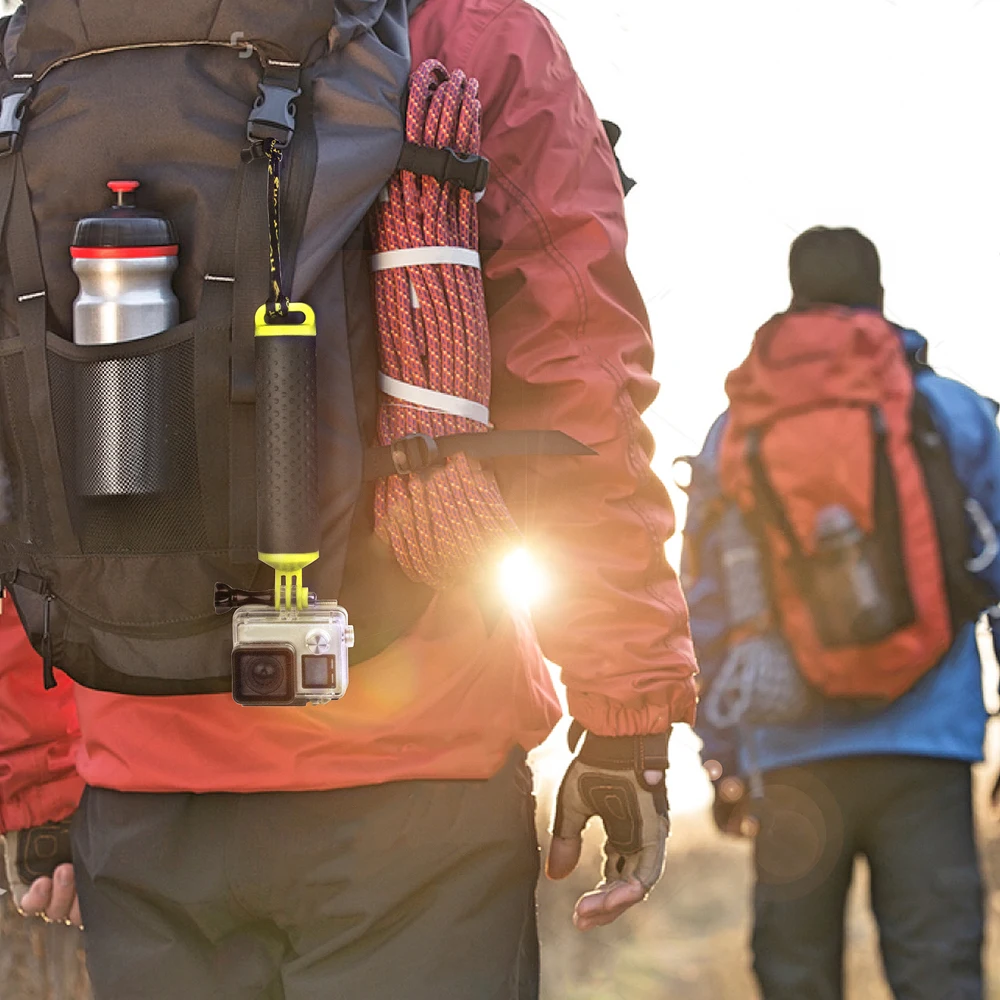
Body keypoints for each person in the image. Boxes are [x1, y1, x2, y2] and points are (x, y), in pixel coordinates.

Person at [0, 2, 697, 998]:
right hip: (418, 771)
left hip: (139, 772)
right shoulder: (467, 34)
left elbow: (20, 446)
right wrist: (626, 712)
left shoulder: (46, 55)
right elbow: (579, 380)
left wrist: (32, 768)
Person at [683, 226, 999, 1000]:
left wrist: (722, 753)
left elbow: (707, 601)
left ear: (792, 303)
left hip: (791, 758)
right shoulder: (951, 411)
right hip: (927, 748)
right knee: (938, 973)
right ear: (881, 303)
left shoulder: (736, 433)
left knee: (795, 979)